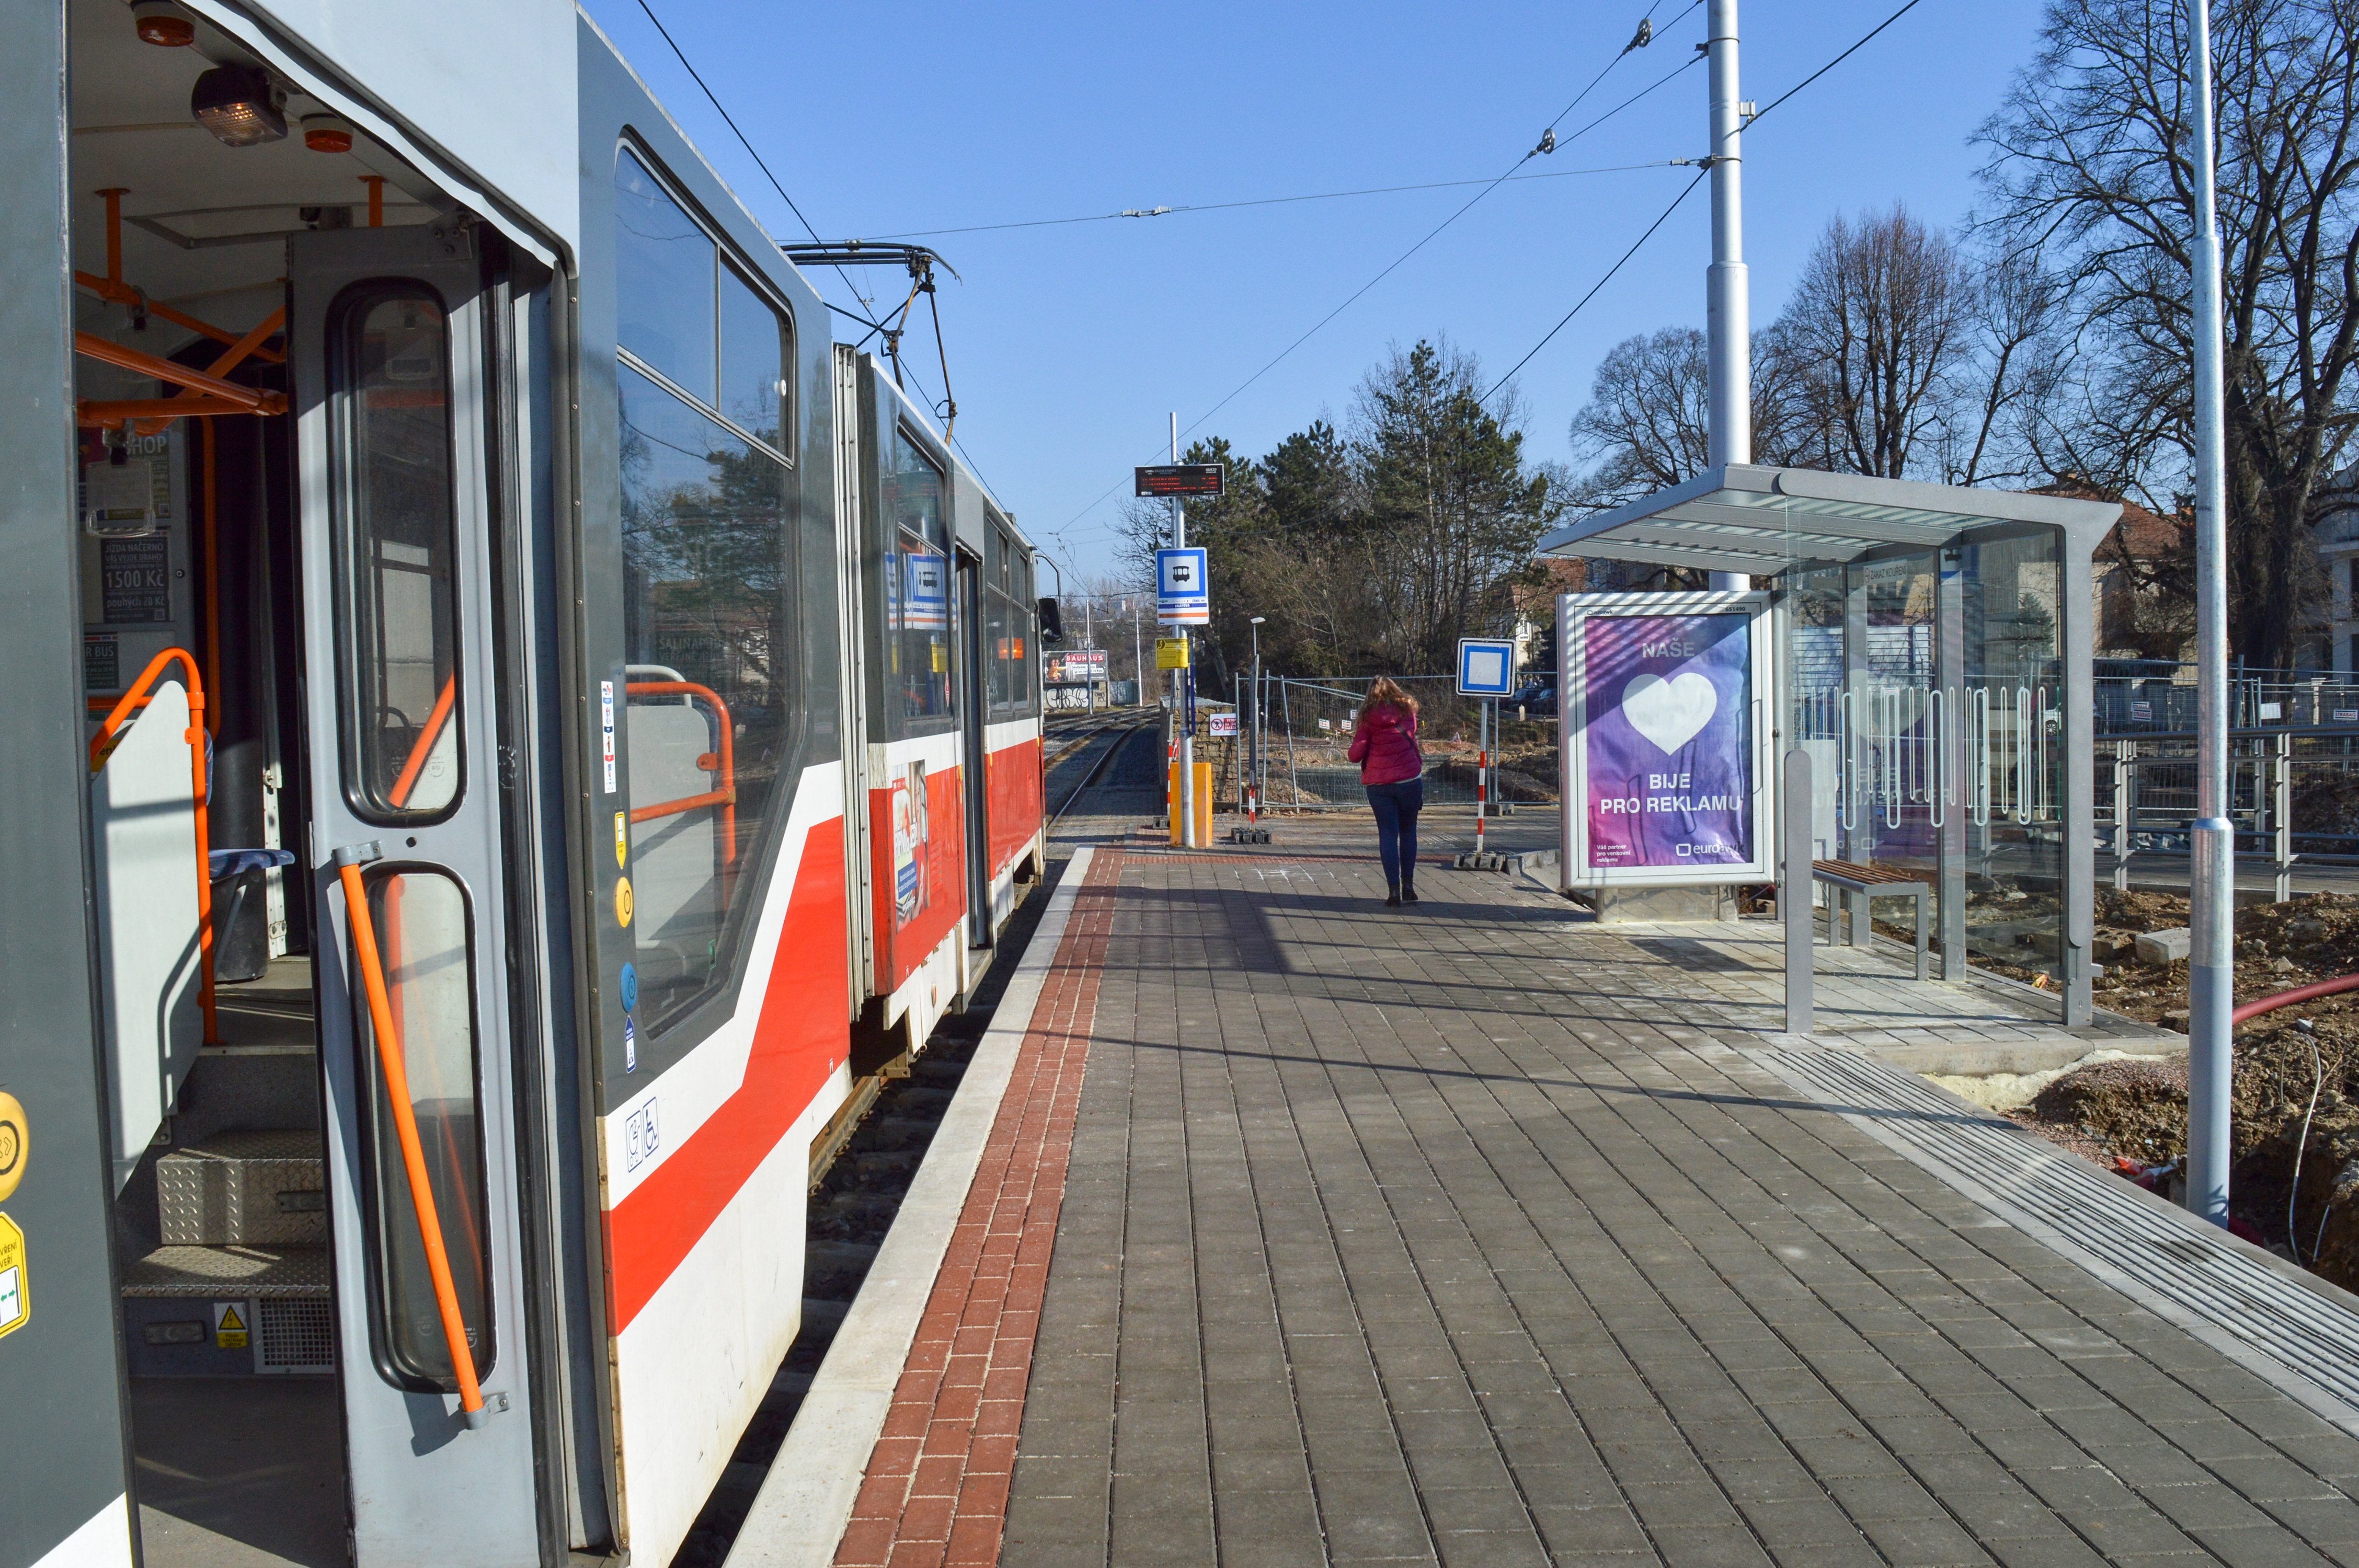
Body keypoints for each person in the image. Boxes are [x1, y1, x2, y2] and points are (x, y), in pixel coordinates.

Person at [1347, 676, 1424, 905]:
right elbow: (1412, 734)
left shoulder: (1368, 719)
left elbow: (1355, 756)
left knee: (1388, 835)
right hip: (1410, 780)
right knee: (1409, 831)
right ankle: (1409, 886)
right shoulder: (1407, 712)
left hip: (1379, 786)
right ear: (1395, 690)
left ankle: (1393, 892)